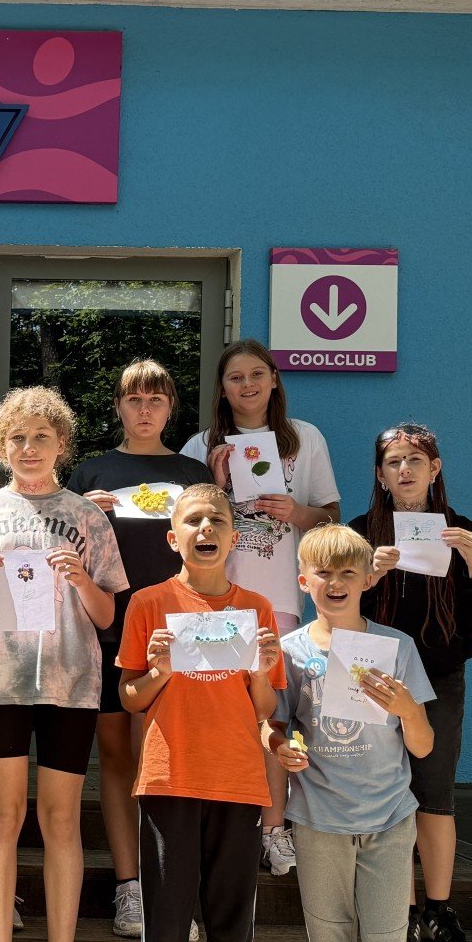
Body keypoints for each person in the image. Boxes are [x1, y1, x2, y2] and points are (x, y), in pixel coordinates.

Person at [0, 387, 125, 942]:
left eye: (41, 437)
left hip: (70, 683)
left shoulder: (88, 516)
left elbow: (107, 616)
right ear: (1, 446)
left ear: (61, 445)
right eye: (17, 438)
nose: (29, 448)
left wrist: (81, 580)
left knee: (60, 820)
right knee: (2, 816)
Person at [118, 483, 284, 942]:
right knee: (165, 937)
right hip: (169, 783)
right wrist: (159, 670)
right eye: (193, 520)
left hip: (238, 787)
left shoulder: (256, 608)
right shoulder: (149, 603)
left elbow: (265, 709)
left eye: (217, 519)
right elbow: (131, 698)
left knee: (231, 939)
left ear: (234, 537)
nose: (206, 528)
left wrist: (263, 669)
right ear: (174, 537)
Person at [266, 524, 435, 942]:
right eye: (323, 574)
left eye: (347, 573)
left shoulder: (395, 647)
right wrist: (282, 748)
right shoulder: (290, 651)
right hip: (319, 822)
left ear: (368, 580)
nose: (335, 584)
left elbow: (423, 745)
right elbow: (278, 726)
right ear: (303, 582)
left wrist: (406, 708)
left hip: (388, 820)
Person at [180, 339, 340, 878]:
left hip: (278, 602)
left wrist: (297, 512)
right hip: (212, 599)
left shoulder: (306, 438)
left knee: (272, 716)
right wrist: (214, 483)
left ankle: (274, 828)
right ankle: (214, 822)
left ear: (274, 379)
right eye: (235, 377)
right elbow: (185, 525)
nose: (247, 385)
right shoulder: (200, 445)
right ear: (222, 389)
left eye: (256, 375)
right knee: (212, 711)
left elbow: (332, 515)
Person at [68, 359, 212, 939]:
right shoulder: (91, 471)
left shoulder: (193, 472)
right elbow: (63, 548)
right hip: (107, 632)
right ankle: (130, 886)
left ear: (171, 408)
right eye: (134, 399)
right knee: (117, 757)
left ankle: (171, 887)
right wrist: (85, 512)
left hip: (178, 635)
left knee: (170, 758)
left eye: (156, 399)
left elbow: (212, 545)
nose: (145, 409)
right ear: (119, 407)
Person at [352, 423, 472, 942]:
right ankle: (404, 909)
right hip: (373, 677)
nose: (405, 470)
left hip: (438, 677)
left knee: (435, 793)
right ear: (380, 475)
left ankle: (440, 906)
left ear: (435, 469)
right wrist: (367, 577)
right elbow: (335, 606)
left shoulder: (459, 529)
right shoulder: (361, 531)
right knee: (387, 793)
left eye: (415, 460)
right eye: (393, 462)